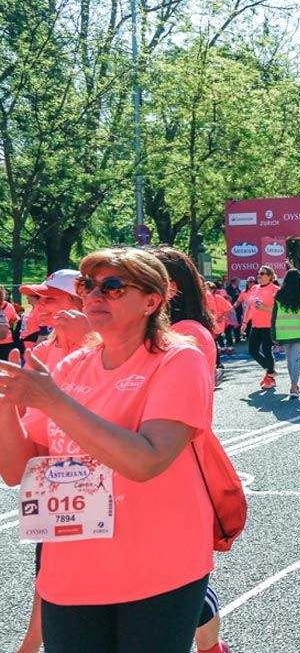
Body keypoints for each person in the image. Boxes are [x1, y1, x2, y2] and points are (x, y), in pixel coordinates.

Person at [0, 247, 215, 653]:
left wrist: (51, 401)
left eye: (113, 287)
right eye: (88, 286)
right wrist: (5, 405)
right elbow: (17, 471)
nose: (95, 296)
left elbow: (147, 459)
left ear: (152, 301)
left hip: (159, 566)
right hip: (70, 570)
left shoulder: (178, 359)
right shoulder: (72, 365)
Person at [148, 247, 230, 653]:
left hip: (180, 468)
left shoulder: (189, 335)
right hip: (149, 465)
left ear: (170, 287)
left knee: (183, 582)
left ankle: (213, 648)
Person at [14, 271, 87, 653]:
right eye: (36, 300)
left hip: (112, 480)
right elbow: (28, 435)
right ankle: (32, 642)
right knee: (52, 568)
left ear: (79, 305)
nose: (38, 307)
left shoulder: (105, 346)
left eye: (49, 299)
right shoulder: (40, 352)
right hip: (55, 480)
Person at [272, 267, 300, 399]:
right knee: (295, 360)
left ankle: (294, 385)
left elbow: (274, 316)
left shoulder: (279, 295)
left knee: (290, 360)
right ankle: (294, 386)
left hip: (284, 333)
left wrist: (273, 334)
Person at [244, 266, 278, 390]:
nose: (259, 276)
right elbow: (249, 307)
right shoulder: (254, 288)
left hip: (269, 326)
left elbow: (278, 309)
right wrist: (244, 322)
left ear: (269, 276)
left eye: (262, 274)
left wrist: (265, 308)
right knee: (252, 351)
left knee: (266, 349)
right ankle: (270, 371)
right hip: (256, 325)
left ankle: (270, 378)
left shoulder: (275, 289)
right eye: (258, 274)